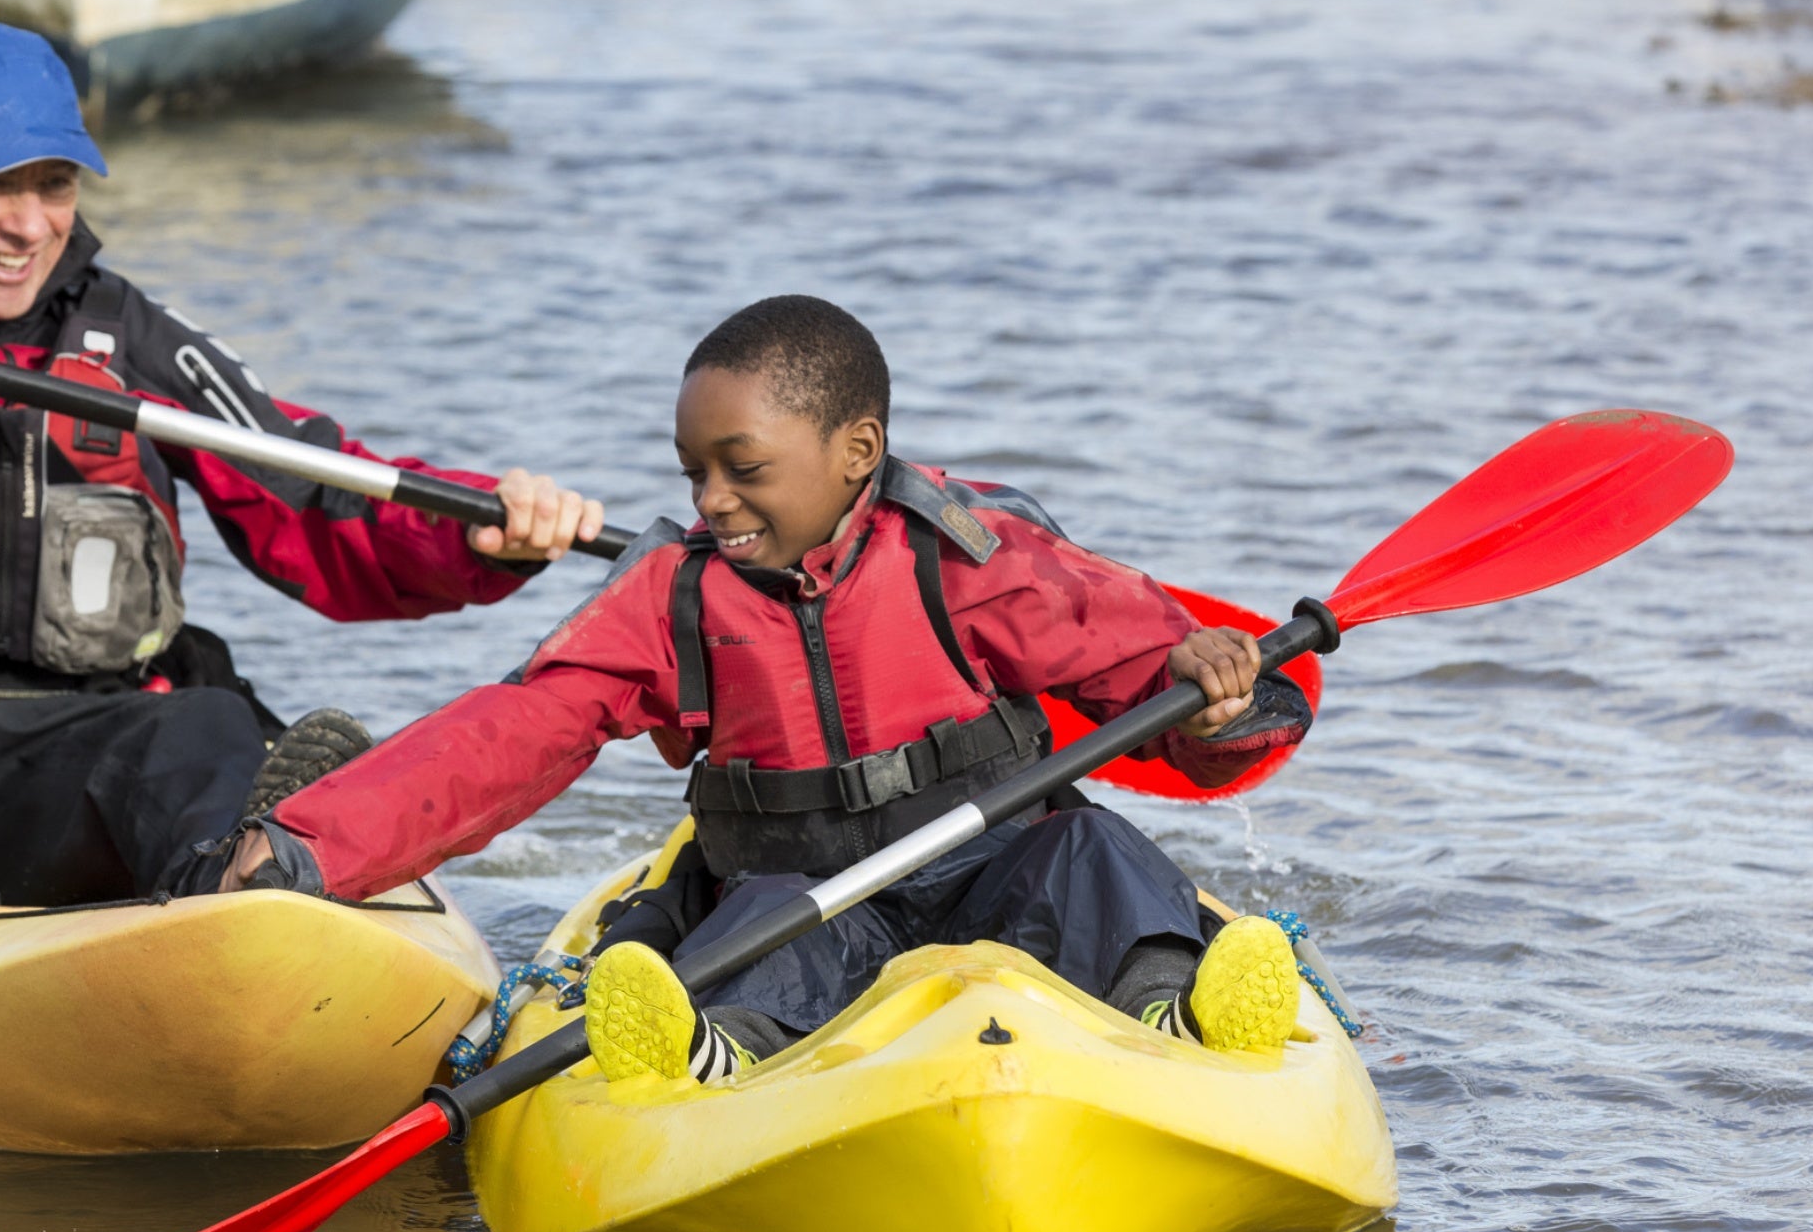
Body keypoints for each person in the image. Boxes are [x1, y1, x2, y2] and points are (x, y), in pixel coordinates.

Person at [0, 23, 604, 910]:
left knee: (202, 720)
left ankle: (246, 873)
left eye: (55, 185)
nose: (29, 223)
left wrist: (480, 532)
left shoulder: (135, 344)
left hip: (75, 761)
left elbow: (317, 497)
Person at [245, 295, 1317, 1078]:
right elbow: (512, 735)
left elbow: (1142, 658)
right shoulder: (673, 597)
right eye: (692, 472)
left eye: (742, 469)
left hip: (987, 870)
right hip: (794, 895)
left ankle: (1172, 1011)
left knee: (1091, 852)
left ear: (859, 450)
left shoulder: (965, 557)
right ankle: (717, 1052)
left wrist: (1217, 695)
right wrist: (306, 848)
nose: (711, 499)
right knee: (770, 925)